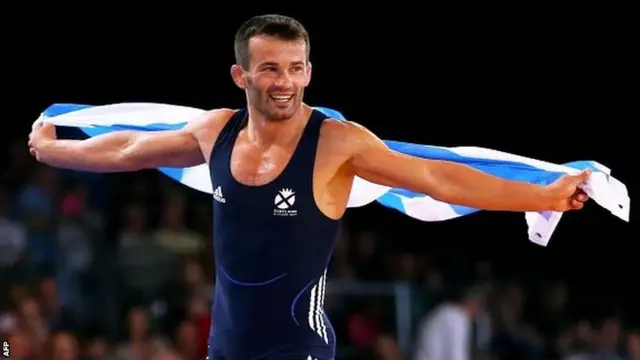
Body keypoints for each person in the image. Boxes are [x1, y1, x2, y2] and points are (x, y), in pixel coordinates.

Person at [28, 14, 591, 360]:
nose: (285, 83)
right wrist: (56, 149)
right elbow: (129, 148)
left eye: (296, 68)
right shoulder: (215, 130)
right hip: (224, 349)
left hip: (298, 350)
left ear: (310, 72)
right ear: (240, 75)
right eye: (271, 68)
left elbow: (440, 178)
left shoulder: (336, 143)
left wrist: (544, 196)